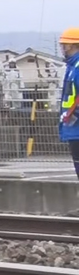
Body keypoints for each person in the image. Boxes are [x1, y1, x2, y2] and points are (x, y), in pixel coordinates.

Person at [58, 28, 79, 182]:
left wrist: (71, 115)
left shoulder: (76, 67)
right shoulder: (72, 67)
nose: (62, 48)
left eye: (64, 45)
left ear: (72, 45)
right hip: (73, 127)